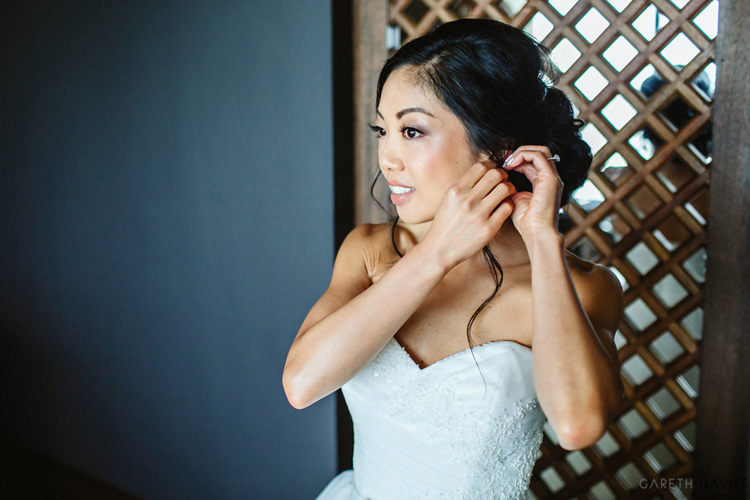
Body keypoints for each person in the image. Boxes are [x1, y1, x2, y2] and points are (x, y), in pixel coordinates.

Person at [283, 18, 624, 499]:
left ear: (500, 147)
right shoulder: (370, 251)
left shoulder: (585, 286)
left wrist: (544, 241)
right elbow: (301, 385)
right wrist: (436, 254)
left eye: (413, 131)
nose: (388, 158)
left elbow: (577, 425)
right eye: (383, 130)